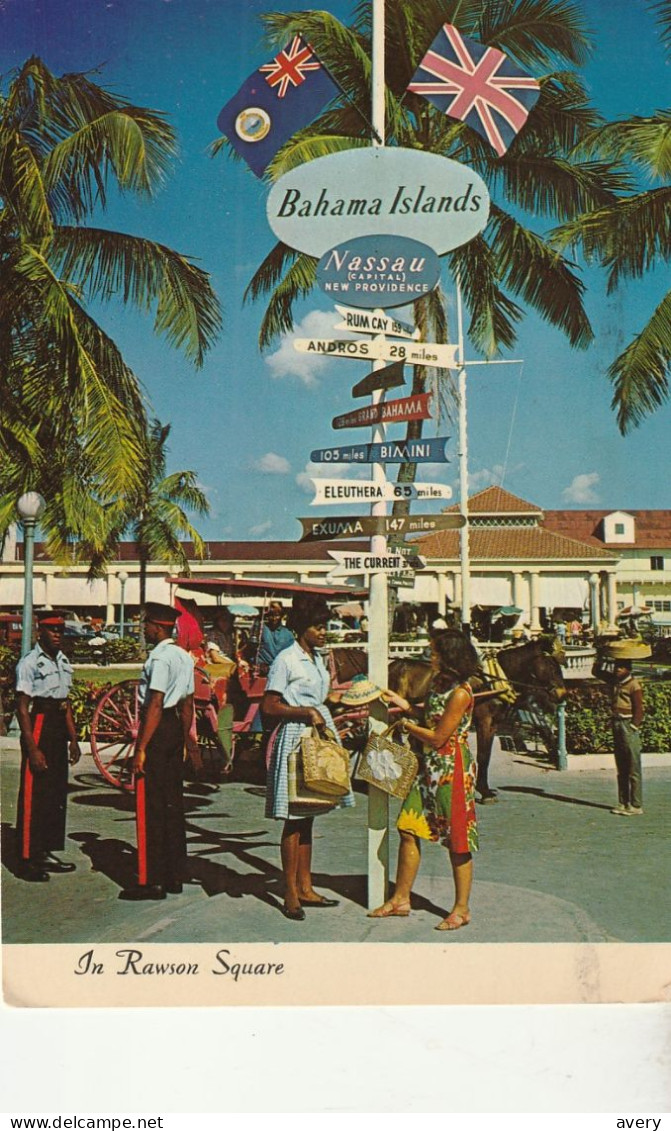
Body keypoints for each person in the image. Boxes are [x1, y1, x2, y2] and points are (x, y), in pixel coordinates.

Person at [369, 629, 480, 931]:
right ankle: (401, 898)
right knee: (408, 826)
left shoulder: (460, 693)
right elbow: (430, 716)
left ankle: (461, 908)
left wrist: (405, 724)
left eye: (435, 652)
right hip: (429, 767)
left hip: (451, 769)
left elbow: (438, 736)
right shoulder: (439, 684)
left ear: (450, 656)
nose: (430, 656)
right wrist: (404, 704)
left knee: (457, 839)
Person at [261, 594, 353, 921]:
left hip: (319, 734)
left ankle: (306, 886)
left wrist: (356, 698)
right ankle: (289, 892)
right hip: (296, 739)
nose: (324, 632)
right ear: (302, 628)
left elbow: (325, 696)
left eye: (325, 626)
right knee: (294, 817)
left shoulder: (316, 658)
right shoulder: (286, 660)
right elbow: (269, 706)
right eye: (318, 627)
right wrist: (305, 711)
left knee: (310, 815)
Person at [120, 602, 194, 901]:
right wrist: (188, 742)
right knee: (172, 805)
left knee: (151, 806)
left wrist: (141, 749)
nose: (144, 629)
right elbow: (187, 704)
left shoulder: (160, 658)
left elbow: (154, 703)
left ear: (159, 626)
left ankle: (151, 880)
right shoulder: (183, 657)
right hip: (174, 728)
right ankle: (174, 876)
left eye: (147, 624)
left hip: (158, 729)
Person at [14, 609, 81, 882]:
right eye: (52, 630)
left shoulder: (62, 660)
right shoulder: (29, 663)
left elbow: (64, 704)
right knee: (34, 795)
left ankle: (46, 850)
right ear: (39, 631)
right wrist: (32, 748)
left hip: (57, 728)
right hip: (38, 727)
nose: (57, 634)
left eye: (61, 630)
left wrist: (74, 738)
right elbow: (21, 707)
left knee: (54, 795)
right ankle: (27, 858)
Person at [610, 658, 645, 816]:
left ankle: (636, 805)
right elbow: (595, 672)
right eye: (617, 666)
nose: (617, 669)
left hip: (627, 724)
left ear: (628, 669)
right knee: (621, 766)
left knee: (632, 766)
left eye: (621, 667)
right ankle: (623, 802)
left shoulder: (633, 685)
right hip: (617, 723)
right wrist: (601, 657)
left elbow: (639, 708)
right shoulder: (617, 682)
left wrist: (633, 726)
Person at [255, 601, 294, 672]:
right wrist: (260, 664)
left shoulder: (288, 633)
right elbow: (253, 650)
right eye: (271, 615)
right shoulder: (261, 629)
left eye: (277, 615)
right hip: (262, 670)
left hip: (281, 670)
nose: (273, 618)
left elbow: (292, 655)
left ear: (282, 616)